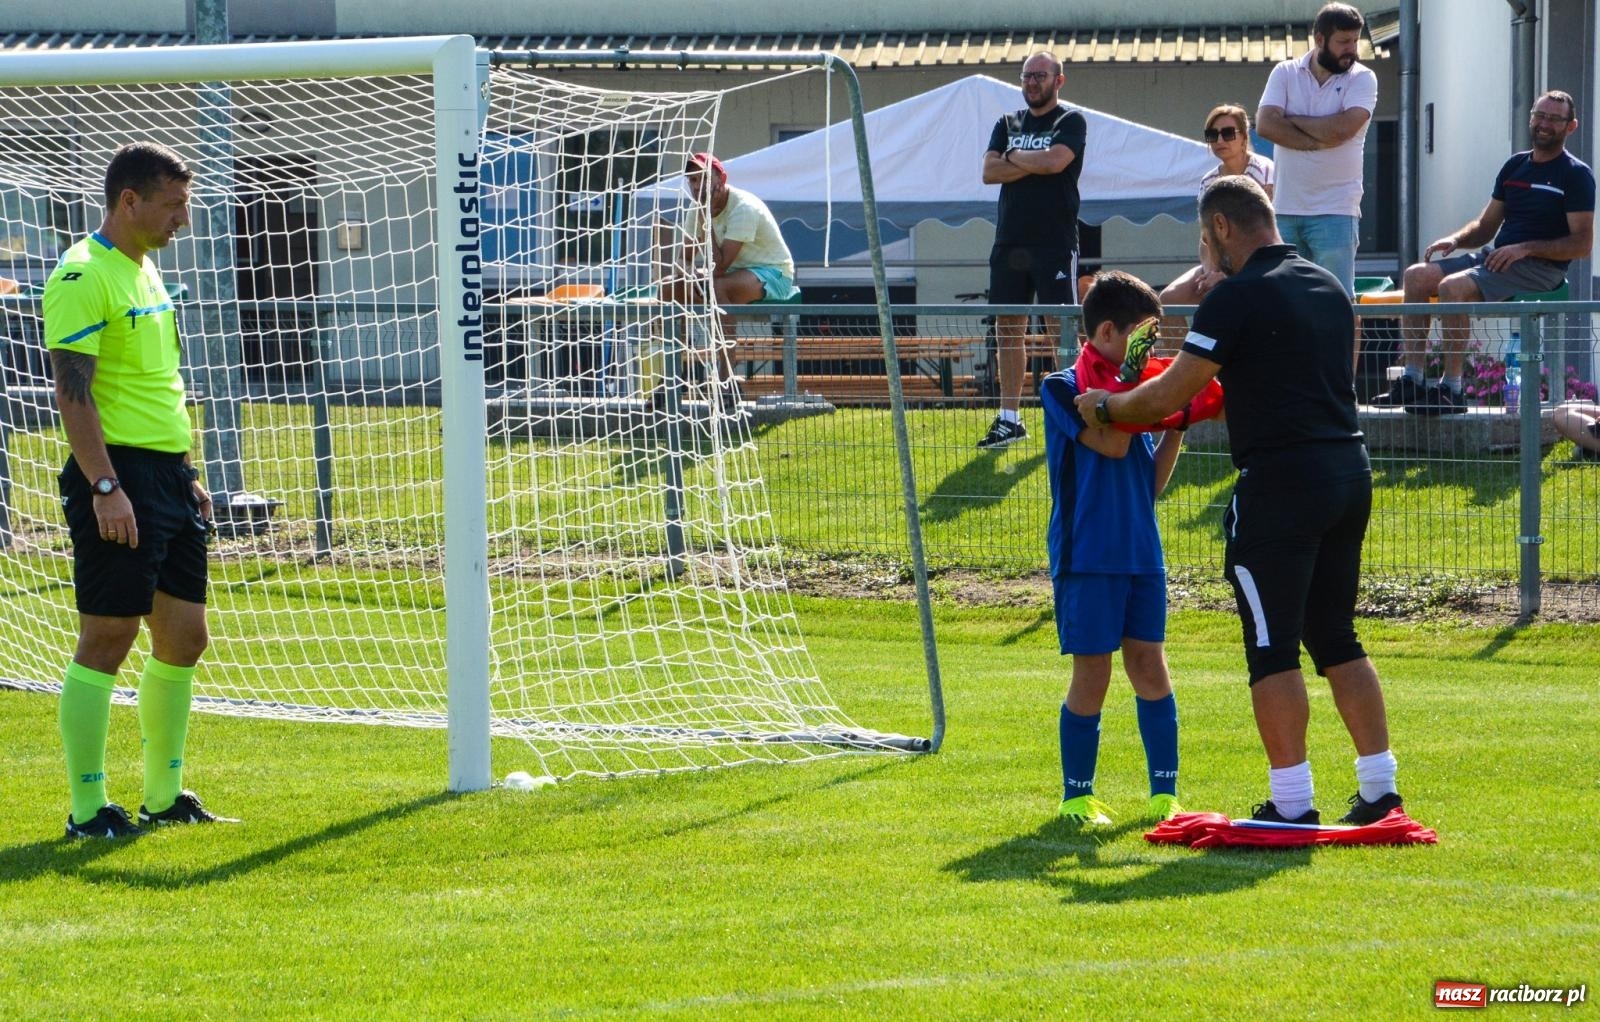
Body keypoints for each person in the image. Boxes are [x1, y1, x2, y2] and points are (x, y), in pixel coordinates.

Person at [1074, 176, 1404, 826]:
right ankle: (1380, 789)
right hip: (1349, 471)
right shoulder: (1330, 288)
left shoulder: (1236, 298)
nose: (1206, 254)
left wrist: (1106, 405)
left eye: (1204, 239)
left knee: (1271, 644)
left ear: (1223, 228)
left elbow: (1168, 394)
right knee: (1336, 633)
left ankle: (1291, 802)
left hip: (1281, 487)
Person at [44, 141, 233, 839]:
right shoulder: (81, 273)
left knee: (184, 637)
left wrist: (187, 471)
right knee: (110, 634)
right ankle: (89, 810)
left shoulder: (146, 271)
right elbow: (73, 394)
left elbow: (157, 386)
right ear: (130, 201)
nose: (185, 217)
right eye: (175, 203)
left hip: (167, 475)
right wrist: (103, 485)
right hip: (115, 475)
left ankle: (164, 796)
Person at [1040, 271, 1185, 825]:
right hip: (1088, 555)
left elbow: (1148, 482)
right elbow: (1113, 444)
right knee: (1093, 673)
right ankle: (1076, 795)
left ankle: (1163, 794)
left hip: (1141, 553)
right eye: (1144, 340)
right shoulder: (1062, 387)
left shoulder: (1132, 397)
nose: (1152, 356)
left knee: (1150, 666)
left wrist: (1178, 420)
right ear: (1106, 331)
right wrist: (1141, 390)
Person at [1373, 90, 1596, 415]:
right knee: (1416, 276)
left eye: (1554, 118)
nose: (1545, 123)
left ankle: (1452, 389)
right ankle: (1413, 380)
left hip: (1540, 269)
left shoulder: (1576, 175)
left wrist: (1525, 249)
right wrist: (1455, 239)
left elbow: (1582, 244)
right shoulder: (1515, 166)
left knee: (1452, 287)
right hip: (1497, 258)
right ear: (1531, 117)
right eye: (1540, 115)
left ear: (1571, 127)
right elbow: (1486, 226)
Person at [977, 51, 1086, 450]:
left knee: (1061, 331)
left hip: (1054, 243)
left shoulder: (1070, 121)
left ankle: (1075, 412)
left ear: (1059, 80)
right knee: (1009, 330)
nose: (1031, 82)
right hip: (1009, 242)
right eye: (1026, 76)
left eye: (1040, 75)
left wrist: (1013, 157)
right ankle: (1009, 420)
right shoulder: (1006, 123)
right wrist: (1031, 161)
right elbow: (989, 172)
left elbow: (1058, 162)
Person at [659, 151, 798, 411]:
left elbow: (720, 267)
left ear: (721, 179)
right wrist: (688, 274)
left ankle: (726, 381)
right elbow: (683, 258)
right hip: (727, 275)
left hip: (773, 274)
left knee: (717, 286)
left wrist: (706, 219)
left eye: (702, 178)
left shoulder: (743, 207)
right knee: (668, 285)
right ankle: (673, 375)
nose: (697, 186)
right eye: (691, 180)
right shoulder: (695, 207)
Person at [1255, 2, 1376, 297]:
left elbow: (1342, 130)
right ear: (1319, 40)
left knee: (1337, 301)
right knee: (1286, 302)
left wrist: (1291, 120)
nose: (1352, 49)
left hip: (1337, 211)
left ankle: (1343, 348)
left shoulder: (1363, 78)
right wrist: (1318, 141)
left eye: (1355, 41)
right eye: (1344, 41)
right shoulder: (1284, 72)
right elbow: (1266, 125)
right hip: (1284, 209)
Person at [1161, 105, 1275, 306]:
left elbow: (1267, 233)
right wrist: (1210, 272)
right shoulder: (1208, 181)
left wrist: (1226, 275)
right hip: (1222, 262)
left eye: (1228, 133)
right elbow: (1207, 237)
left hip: (1260, 262)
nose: (1220, 140)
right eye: (1212, 135)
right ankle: (1183, 339)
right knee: (1170, 299)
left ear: (1244, 137)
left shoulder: (1265, 170)